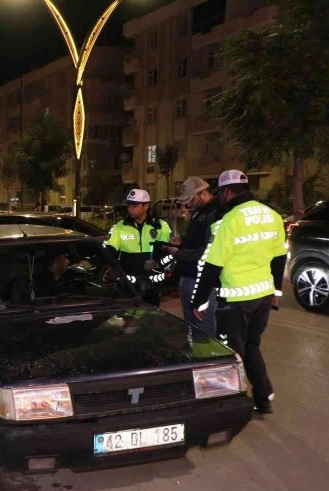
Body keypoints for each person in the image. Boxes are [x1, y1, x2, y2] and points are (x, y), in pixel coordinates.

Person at [191, 169, 286, 414]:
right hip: (263, 295)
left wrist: (199, 301)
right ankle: (263, 398)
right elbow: (279, 258)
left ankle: (232, 403)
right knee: (252, 345)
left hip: (235, 298)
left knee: (231, 352)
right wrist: (276, 290)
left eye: (220, 193)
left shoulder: (230, 221)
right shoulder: (272, 215)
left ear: (228, 192)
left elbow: (213, 264)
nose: (220, 197)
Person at [165, 177, 224, 335]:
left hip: (202, 281)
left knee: (204, 330)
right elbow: (197, 240)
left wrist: (179, 253)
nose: (187, 204)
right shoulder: (199, 212)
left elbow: (210, 250)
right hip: (189, 275)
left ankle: (206, 358)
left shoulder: (216, 214)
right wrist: (182, 241)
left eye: (191, 199)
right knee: (191, 327)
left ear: (203, 194)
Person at [103, 188, 172, 306]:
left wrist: (159, 264)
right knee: (128, 318)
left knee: (151, 318)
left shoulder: (161, 226)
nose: (130, 209)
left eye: (134, 206)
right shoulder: (119, 227)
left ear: (145, 206)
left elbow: (167, 252)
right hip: (129, 284)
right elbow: (110, 249)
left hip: (153, 284)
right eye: (128, 206)